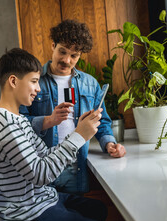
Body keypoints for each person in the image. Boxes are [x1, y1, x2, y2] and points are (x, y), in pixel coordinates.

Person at [0, 48, 117, 221]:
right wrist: (79, 137)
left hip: (41, 199)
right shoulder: (6, 125)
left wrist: (77, 132)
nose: (38, 88)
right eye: (33, 81)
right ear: (13, 81)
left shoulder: (18, 119)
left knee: (97, 209)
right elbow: (41, 175)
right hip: (26, 216)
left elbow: (45, 154)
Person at [20, 19, 126, 194]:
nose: (66, 60)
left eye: (74, 55)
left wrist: (110, 144)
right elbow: (20, 122)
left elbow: (102, 122)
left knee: (76, 214)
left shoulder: (91, 84)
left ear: (80, 55)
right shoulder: (33, 80)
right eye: (62, 51)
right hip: (43, 165)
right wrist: (47, 120)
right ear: (53, 45)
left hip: (76, 166)